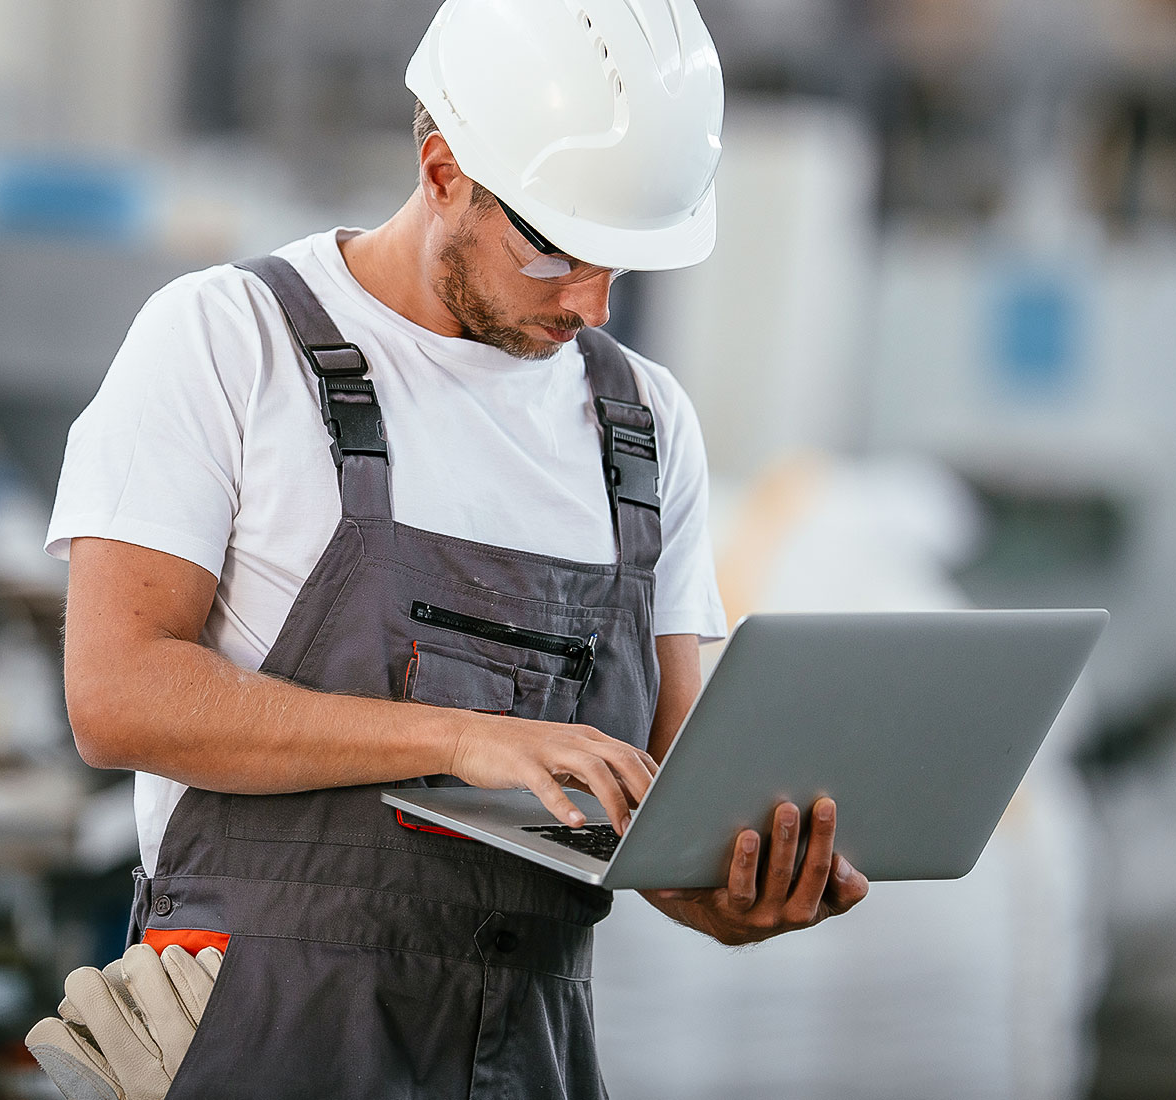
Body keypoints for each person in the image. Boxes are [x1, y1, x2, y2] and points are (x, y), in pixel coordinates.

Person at [46, 0, 868, 1094]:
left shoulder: (645, 425)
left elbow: (666, 808)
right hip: (264, 1037)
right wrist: (467, 738)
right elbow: (118, 693)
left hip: (526, 1056)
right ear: (442, 170)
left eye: (625, 262)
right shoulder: (228, 340)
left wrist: (740, 892)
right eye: (558, 254)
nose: (591, 300)